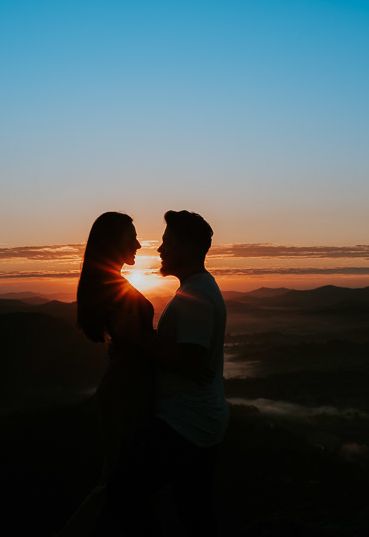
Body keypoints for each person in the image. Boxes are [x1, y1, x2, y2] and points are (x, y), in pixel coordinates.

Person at [107, 210, 228, 537]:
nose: (159, 250)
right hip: (197, 420)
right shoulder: (199, 288)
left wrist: (135, 336)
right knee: (194, 512)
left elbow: (190, 361)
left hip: (183, 423)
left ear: (188, 247)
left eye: (167, 242)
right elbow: (191, 359)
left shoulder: (197, 296)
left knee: (123, 496)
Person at [59, 212, 157, 536]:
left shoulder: (109, 283)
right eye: (132, 237)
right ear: (113, 243)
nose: (139, 244)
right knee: (113, 485)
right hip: (125, 390)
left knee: (121, 482)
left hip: (127, 387)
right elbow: (135, 339)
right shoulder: (112, 287)